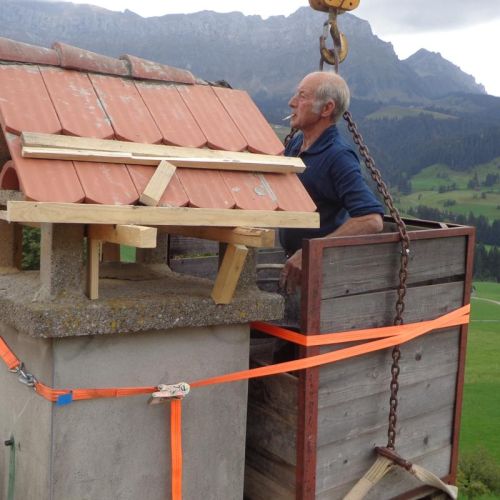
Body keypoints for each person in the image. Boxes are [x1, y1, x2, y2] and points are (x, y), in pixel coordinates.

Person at [279, 71, 384, 294]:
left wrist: (310, 253)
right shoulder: (297, 143)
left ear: (326, 109)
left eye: (302, 96)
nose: (292, 102)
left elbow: (371, 220)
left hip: (322, 277)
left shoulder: (338, 156)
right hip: (295, 268)